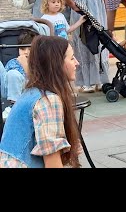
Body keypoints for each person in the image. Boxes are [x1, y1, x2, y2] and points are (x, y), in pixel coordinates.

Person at [0, 35, 82, 168]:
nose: (77, 63)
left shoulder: (31, 92)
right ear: (56, 63)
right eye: (72, 58)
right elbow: (52, 164)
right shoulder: (48, 100)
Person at [3, 31, 38, 103]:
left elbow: (37, 85)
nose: (26, 52)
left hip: (27, 91)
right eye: (22, 49)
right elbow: (5, 81)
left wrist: (25, 65)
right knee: (12, 74)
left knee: (14, 74)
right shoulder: (12, 62)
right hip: (9, 91)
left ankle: (15, 105)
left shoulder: (38, 63)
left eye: (29, 49)